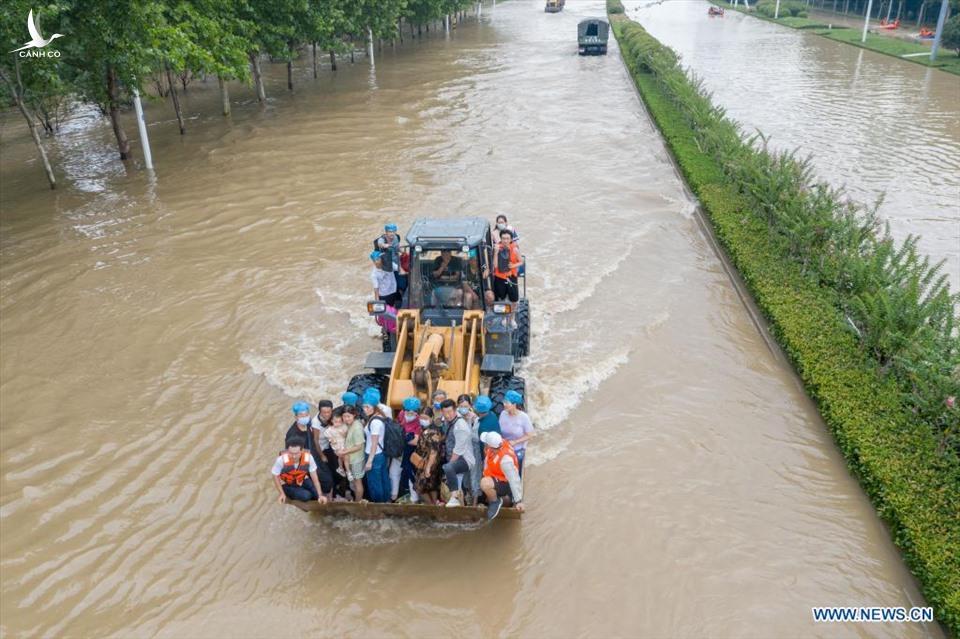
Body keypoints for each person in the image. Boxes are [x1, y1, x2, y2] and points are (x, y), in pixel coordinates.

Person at [286, 401, 333, 496]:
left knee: (328, 479)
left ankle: (328, 496)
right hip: (305, 462)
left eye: (306, 414)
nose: (305, 417)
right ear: (296, 417)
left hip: (315, 455)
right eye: (301, 415)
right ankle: (322, 496)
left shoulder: (308, 424)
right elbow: (290, 456)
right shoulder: (292, 434)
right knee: (322, 481)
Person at [272, 435, 328, 504]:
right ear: (288, 451)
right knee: (306, 496)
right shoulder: (281, 460)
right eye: (291, 453)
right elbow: (275, 476)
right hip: (288, 484)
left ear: (302, 451)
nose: (294, 456)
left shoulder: (308, 457)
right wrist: (282, 493)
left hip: (302, 479)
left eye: (296, 453)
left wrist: (320, 495)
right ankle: (292, 494)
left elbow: (315, 478)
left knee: (317, 494)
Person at [440, 399, 475, 507]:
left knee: (448, 468)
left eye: (450, 412)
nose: (448, 415)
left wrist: (449, 465)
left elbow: (458, 450)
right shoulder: (447, 421)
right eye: (445, 412)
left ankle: (455, 499)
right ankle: (459, 505)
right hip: (454, 458)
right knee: (458, 486)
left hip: (464, 459)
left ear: (455, 410)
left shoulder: (460, 426)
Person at [479, 431, 523, 518]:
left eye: (486, 443)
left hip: (505, 483)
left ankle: (495, 501)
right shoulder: (499, 443)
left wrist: (518, 501)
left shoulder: (505, 460)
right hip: (496, 476)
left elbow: (513, 479)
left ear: (491, 447)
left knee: (484, 483)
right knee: (484, 484)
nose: (485, 444)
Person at [361, 388, 390, 503]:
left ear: (374, 407)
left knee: (374, 482)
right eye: (364, 406)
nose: (364, 409)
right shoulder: (378, 416)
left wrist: (369, 461)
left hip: (374, 455)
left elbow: (374, 443)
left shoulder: (375, 422)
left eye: (367, 407)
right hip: (380, 454)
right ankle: (386, 501)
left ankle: (378, 504)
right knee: (383, 478)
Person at [412, 407, 444, 504]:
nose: (422, 420)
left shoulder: (433, 432)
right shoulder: (425, 429)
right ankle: (434, 505)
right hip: (426, 462)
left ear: (431, 418)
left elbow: (434, 452)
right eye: (421, 417)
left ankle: (431, 506)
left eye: (425, 418)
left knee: (419, 488)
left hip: (429, 464)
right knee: (431, 486)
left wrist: (428, 468)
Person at [498, 390, 534, 473]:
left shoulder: (524, 417)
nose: (504, 404)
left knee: (516, 467)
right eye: (504, 401)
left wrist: (515, 442)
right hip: (505, 447)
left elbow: (530, 435)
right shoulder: (503, 414)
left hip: (518, 449)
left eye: (507, 402)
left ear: (514, 404)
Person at [457, 394, 483, 505]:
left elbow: (477, 438)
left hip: (474, 450)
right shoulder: (455, 416)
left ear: (470, 406)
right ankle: (467, 496)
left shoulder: (475, 419)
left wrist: (471, 421)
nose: (463, 408)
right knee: (465, 475)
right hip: (461, 451)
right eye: (461, 406)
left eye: (465, 406)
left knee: (475, 475)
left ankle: (475, 503)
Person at [338, 406, 366, 501]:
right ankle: (355, 498)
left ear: (354, 415)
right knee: (353, 481)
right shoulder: (350, 424)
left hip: (356, 460)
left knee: (358, 482)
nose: (346, 419)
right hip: (350, 459)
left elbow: (359, 446)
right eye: (344, 416)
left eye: (348, 416)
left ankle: (358, 502)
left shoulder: (357, 428)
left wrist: (344, 451)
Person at [398, 396, 423, 502]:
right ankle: (398, 493)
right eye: (407, 411)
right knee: (397, 472)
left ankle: (415, 497)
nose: (410, 414)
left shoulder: (419, 422)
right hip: (400, 450)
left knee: (411, 473)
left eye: (413, 413)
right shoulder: (401, 414)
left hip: (411, 451)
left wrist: (403, 437)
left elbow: (416, 441)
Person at [492, 230, 523, 303]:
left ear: (511, 239)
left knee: (514, 298)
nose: (505, 241)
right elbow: (495, 266)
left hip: (511, 276)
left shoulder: (515, 249)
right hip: (499, 277)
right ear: (500, 238)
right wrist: (496, 253)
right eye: (503, 238)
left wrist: (513, 265)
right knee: (500, 297)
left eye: (507, 238)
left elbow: (521, 262)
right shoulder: (496, 248)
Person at [324, 408, 351, 480]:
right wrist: (331, 440)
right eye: (336, 422)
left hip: (343, 444)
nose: (338, 423)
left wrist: (344, 434)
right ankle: (346, 471)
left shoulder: (343, 426)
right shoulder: (330, 429)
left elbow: (346, 435)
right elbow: (327, 435)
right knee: (343, 457)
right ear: (332, 421)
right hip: (337, 446)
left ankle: (343, 469)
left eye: (340, 422)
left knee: (344, 457)